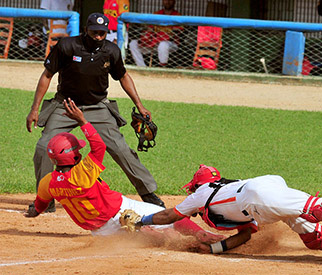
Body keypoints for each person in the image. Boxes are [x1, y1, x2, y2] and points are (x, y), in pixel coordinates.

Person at [25, 99, 224, 245]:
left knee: (143, 237)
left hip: (101, 232)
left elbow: (40, 205)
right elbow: (99, 147)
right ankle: (202, 237)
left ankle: (160, 238)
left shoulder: (48, 182)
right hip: (119, 209)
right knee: (173, 217)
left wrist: (33, 213)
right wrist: (83, 120)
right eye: (78, 150)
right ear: (74, 156)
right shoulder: (82, 175)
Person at [26, 13, 165, 214]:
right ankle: (46, 199)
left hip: (97, 106)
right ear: (86, 30)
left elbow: (123, 76)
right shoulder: (66, 46)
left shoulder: (111, 51)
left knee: (120, 148)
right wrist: (34, 109)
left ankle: (147, 193)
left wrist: (140, 105)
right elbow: (47, 75)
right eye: (94, 32)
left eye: (102, 33)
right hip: (65, 104)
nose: (99, 36)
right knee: (43, 147)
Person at [125, 164, 322, 259]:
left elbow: (169, 216)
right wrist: (214, 250)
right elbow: (245, 235)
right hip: (261, 197)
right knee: (312, 236)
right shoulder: (221, 192)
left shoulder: (202, 193)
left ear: (199, 184)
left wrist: (143, 221)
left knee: (316, 209)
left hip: (258, 198)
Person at [129, 0, 183, 67]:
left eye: (170, 0)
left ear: (174, 2)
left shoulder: (178, 15)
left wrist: (163, 32)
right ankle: (142, 67)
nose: (168, 2)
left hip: (171, 43)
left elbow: (179, 30)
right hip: (153, 42)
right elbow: (149, 28)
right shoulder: (157, 13)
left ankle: (162, 67)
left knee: (163, 44)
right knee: (133, 43)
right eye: (165, 0)